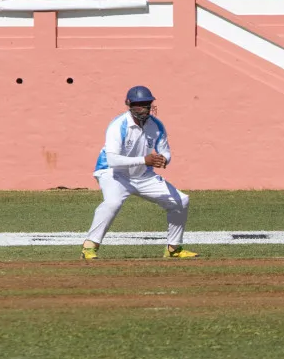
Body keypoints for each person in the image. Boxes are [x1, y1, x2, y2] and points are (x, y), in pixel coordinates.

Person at [81, 86, 198, 260]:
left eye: (147, 103)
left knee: (181, 200)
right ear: (128, 104)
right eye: (139, 104)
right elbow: (112, 160)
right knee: (113, 202)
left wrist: (164, 159)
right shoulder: (118, 125)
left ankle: (174, 249)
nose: (144, 108)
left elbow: (165, 151)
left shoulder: (156, 125)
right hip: (113, 173)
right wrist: (144, 160)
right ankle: (89, 247)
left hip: (143, 175)